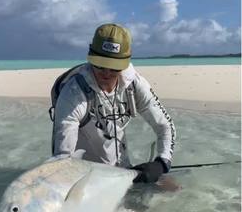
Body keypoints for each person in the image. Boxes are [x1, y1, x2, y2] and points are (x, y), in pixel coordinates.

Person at [52, 23, 176, 184]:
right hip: (84, 177)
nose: (106, 73)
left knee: (173, 188)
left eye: (114, 67)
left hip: (124, 170)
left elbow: (165, 125)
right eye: (100, 65)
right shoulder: (73, 94)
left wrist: (162, 162)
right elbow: (63, 158)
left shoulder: (135, 84)